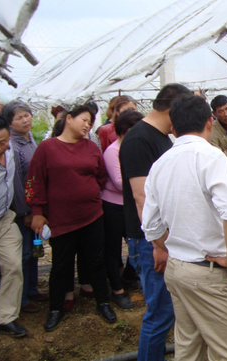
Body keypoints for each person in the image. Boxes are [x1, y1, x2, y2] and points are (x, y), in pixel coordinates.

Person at [142, 94, 227, 361]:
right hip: (208, 271)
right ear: (209, 122)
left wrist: (166, 248)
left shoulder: (160, 164)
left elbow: (151, 225)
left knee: (189, 345)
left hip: (177, 269)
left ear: (173, 128)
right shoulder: (211, 156)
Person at [26, 103, 116, 332]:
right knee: (61, 264)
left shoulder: (91, 148)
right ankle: (55, 308)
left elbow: (100, 176)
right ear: (68, 119)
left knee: (96, 261)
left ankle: (103, 302)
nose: (87, 125)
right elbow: (35, 181)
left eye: (90, 122)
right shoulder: (47, 148)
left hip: (92, 214)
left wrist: (85, 193)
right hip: (61, 217)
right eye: (84, 120)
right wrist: (37, 212)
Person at [119, 83, 192, 361]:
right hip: (148, 240)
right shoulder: (139, 139)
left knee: (167, 309)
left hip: (162, 236)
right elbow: (141, 197)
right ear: (173, 109)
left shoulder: (162, 136)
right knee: (160, 312)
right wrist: (158, 244)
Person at [2, 101, 47, 314]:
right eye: (19, 117)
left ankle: (31, 289)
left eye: (27, 115)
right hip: (22, 211)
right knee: (23, 253)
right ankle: (20, 299)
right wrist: (26, 211)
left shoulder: (29, 140)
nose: (26, 120)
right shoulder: (11, 145)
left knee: (34, 251)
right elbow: (17, 182)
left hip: (33, 208)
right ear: (9, 122)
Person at [101, 110, 143, 310]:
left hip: (131, 204)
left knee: (135, 242)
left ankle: (128, 276)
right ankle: (117, 289)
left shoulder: (133, 148)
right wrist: (142, 178)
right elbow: (119, 183)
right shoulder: (113, 151)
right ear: (126, 129)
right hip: (113, 206)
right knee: (113, 248)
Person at [0, 115, 27, 337]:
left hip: (3, 219)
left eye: (2, 142)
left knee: (13, 267)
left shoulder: (12, 152)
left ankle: (6, 318)